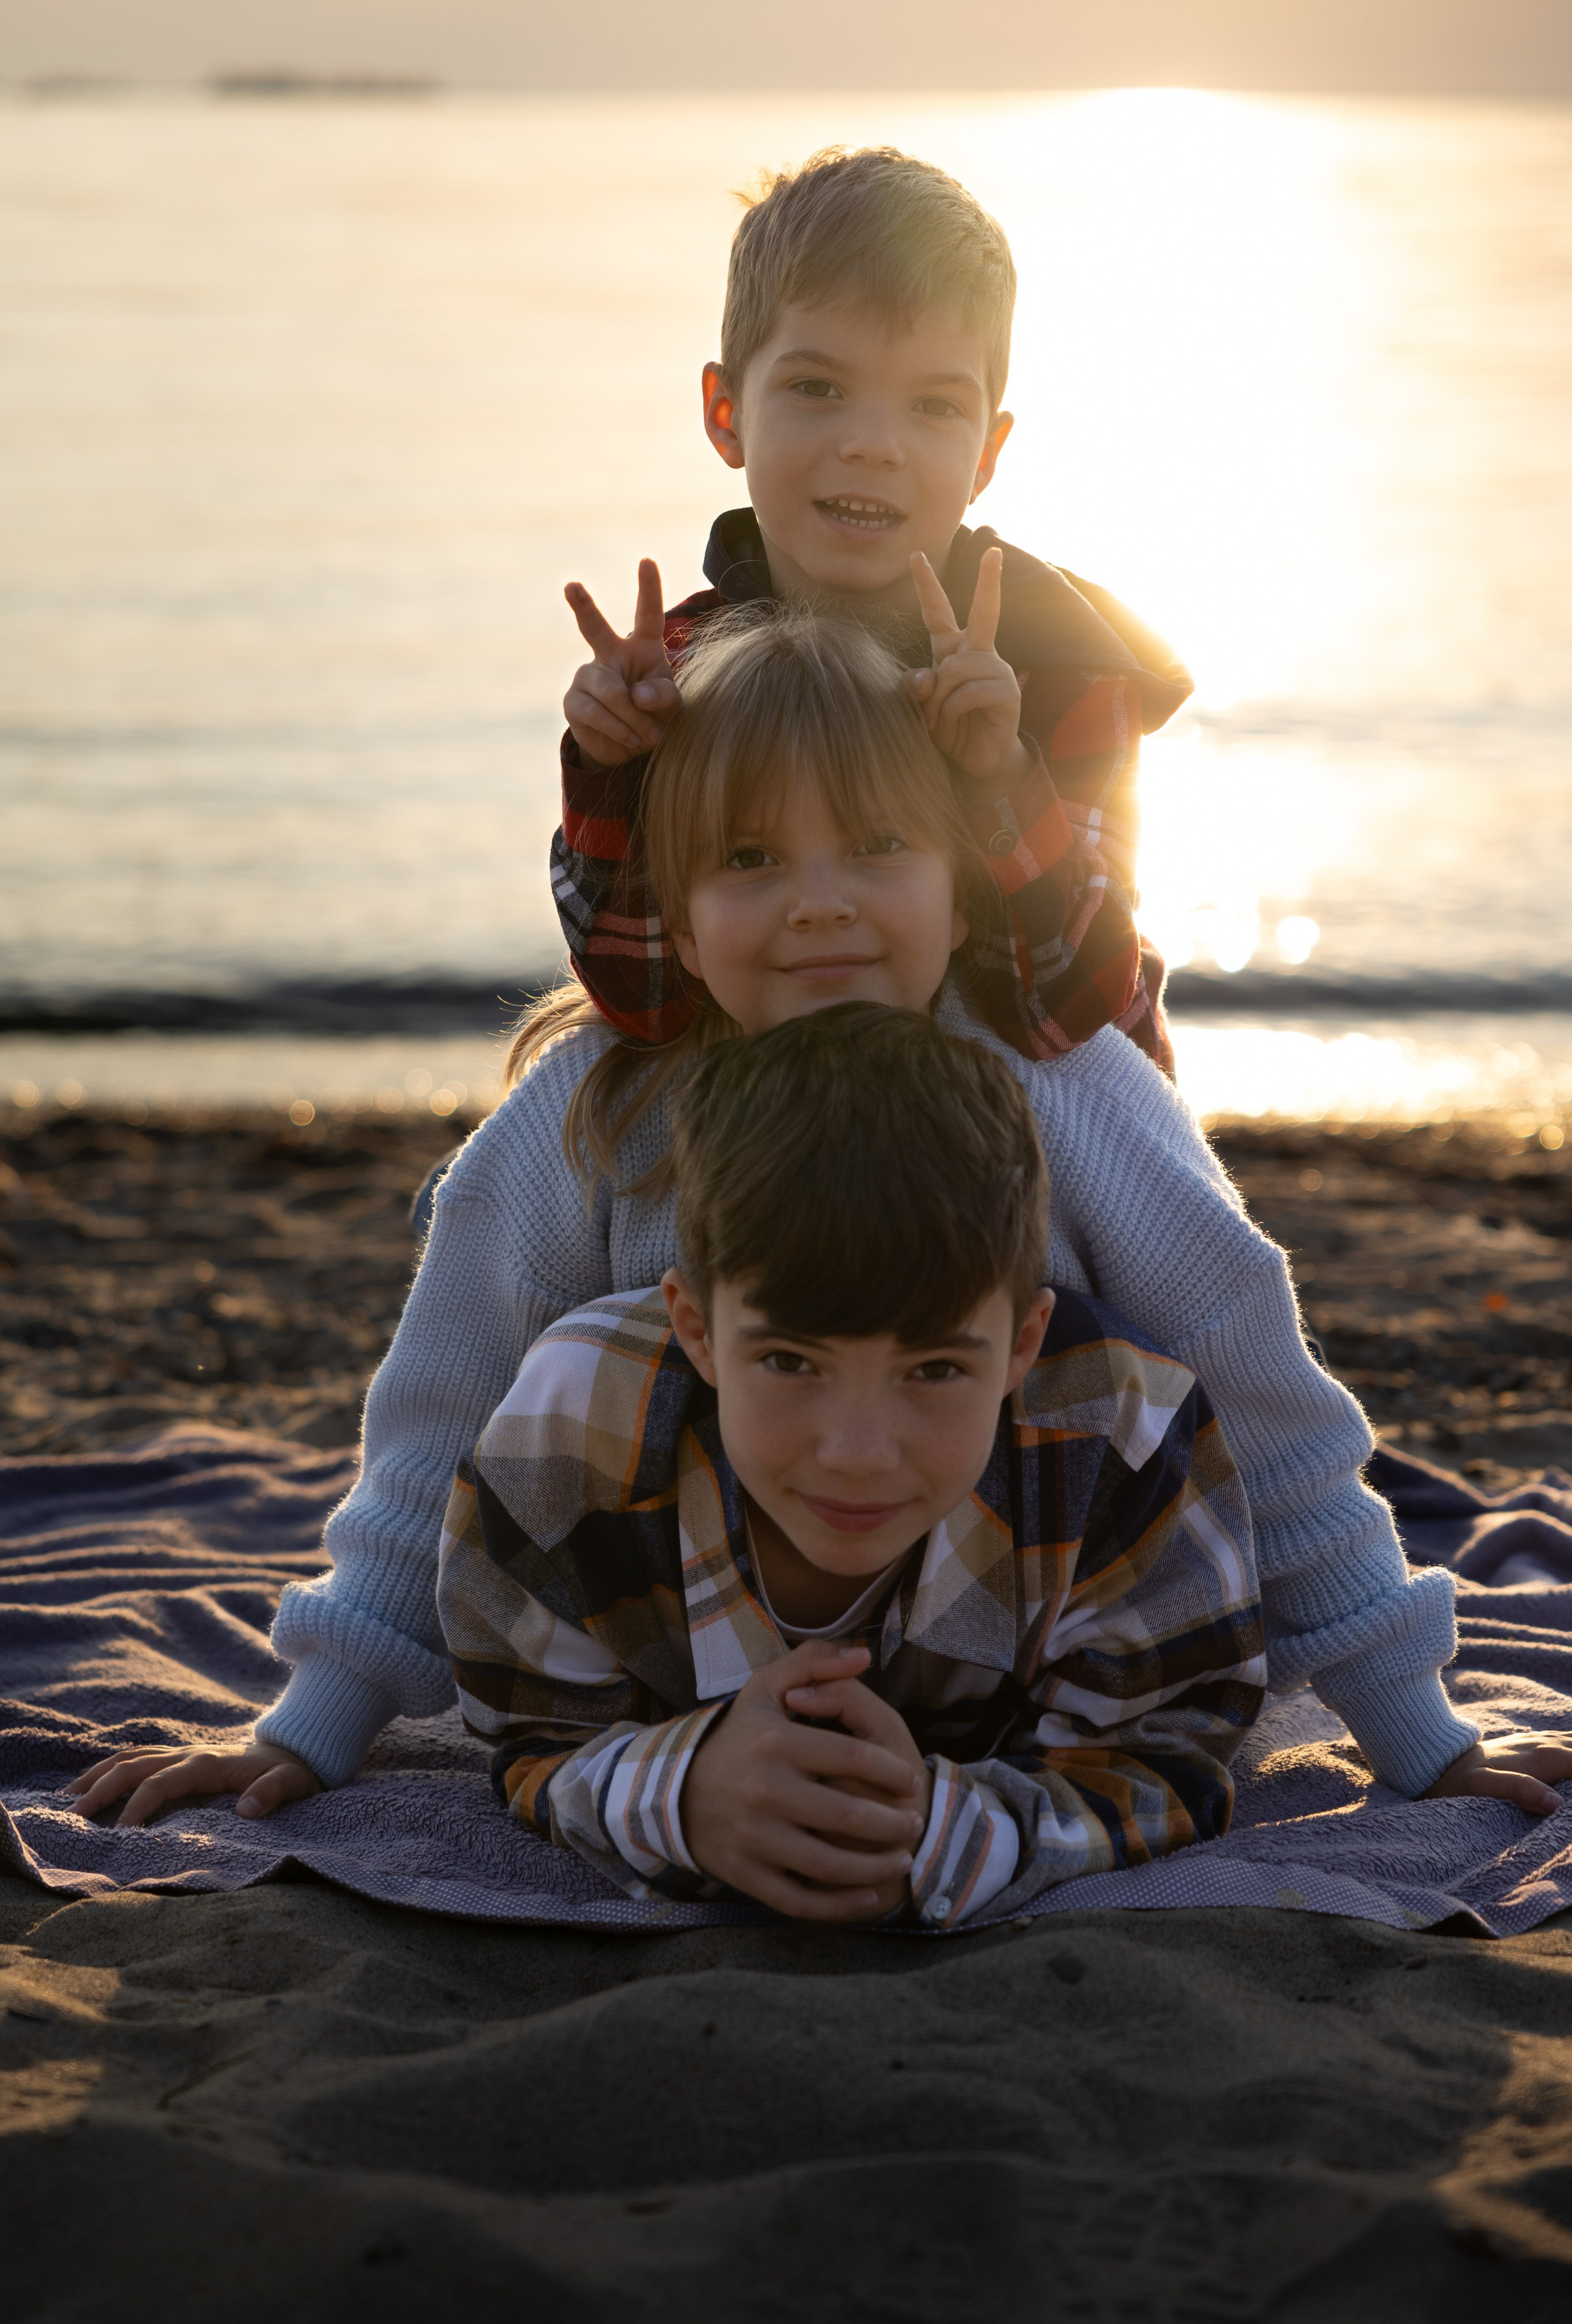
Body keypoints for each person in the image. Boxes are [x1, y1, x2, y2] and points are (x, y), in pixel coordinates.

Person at [66, 605, 1572, 1828]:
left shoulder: (1056, 1084)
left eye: (876, 848)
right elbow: (445, 1416)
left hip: (1020, 1672)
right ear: (663, 889)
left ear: (960, 871)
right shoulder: (600, 1108)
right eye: (748, 861)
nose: (819, 905)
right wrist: (316, 1723)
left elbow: (1258, 1388)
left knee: (1105, 1374)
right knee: (587, 1360)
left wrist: (1412, 1724)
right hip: (689, 1664)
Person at [438, 1002, 1268, 1926]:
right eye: (791, 1361)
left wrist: (941, 1832)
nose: (860, 1453)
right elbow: (532, 1734)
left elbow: (1166, 1752)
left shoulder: (1119, 1435)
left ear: (1024, 1342)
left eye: (937, 1368)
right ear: (698, 1330)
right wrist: (682, 1795)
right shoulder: (572, 1436)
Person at [553, 145, 1189, 1076]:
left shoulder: (1060, 667)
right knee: (562, 1094)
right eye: (818, 389)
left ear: (986, 454)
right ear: (726, 411)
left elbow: (1070, 1016)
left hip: (1045, 1112)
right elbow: (645, 1002)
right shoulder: (687, 671)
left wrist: (1002, 775)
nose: (873, 445)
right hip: (790, 1099)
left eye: (933, 406)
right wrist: (614, 769)